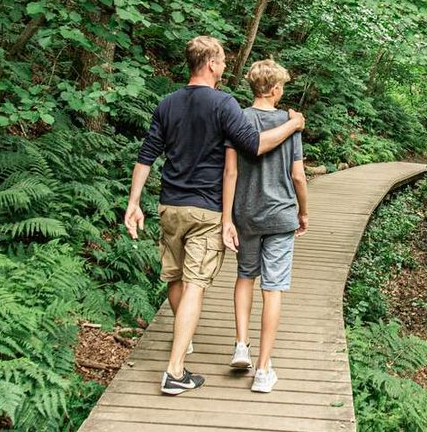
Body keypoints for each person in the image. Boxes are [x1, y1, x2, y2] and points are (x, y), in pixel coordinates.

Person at [124, 36, 305, 396]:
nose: (225, 67)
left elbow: (146, 155)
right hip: (206, 207)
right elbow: (254, 145)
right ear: (210, 64)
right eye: (222, 61)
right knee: (195, 283)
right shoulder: (223, 104)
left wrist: (133, 202)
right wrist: (292, 125)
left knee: (174, 278)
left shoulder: (168, 103)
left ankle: (183, 338)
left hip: (169, 206)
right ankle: (175, 370)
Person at [221, 59, 308, 394]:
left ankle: (241, 345)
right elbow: (298, 176)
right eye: (282, 86)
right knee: (273, 288)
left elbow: (230, 172)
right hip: (281, 214)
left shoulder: (239, 119)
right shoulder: (290, 123)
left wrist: (228, 216)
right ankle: (262, 369)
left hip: (246, 213)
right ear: (275, 90)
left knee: (245, 275)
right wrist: (305, 212)